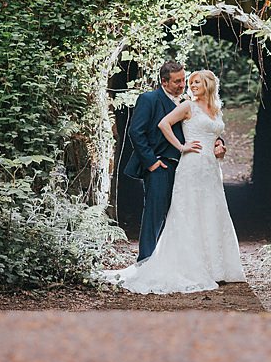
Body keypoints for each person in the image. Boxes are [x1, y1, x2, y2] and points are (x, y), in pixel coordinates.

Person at [100, 69, 245, 294]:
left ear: (208, 84)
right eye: (180, 81)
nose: (185, 85)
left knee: (207, 211)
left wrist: (219, 145)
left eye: (187, 81)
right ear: (164, 81)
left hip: (203, 168)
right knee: (159, 214)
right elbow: (138, 131)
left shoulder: (195, 104)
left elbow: (206, 129)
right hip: (163, 164)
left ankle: (213, 264)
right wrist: (155, 160)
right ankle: (146, 263)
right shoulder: (153, 100)